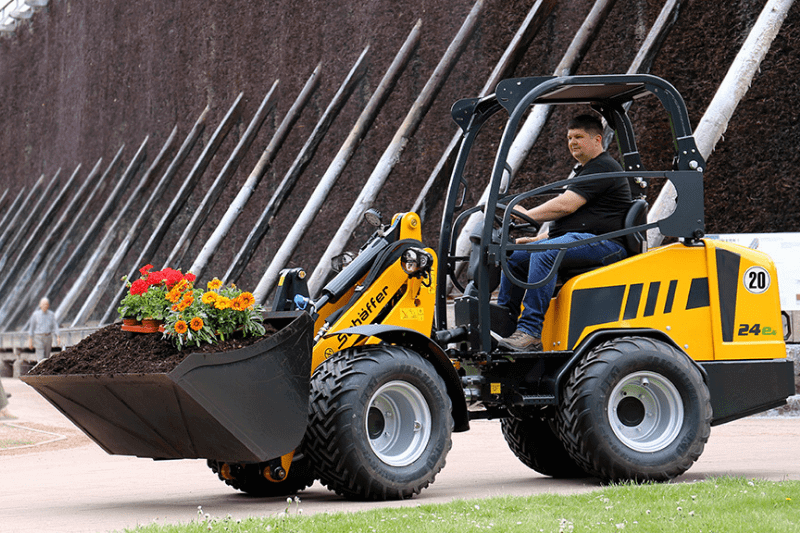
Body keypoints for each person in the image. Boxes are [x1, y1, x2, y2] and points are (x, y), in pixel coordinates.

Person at [497, 114, 632, 351]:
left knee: (546, 252)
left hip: (608, 245)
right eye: (569, 137)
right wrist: (538, 238)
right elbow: (576, 224)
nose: (572, 142)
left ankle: (529, 332)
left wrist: (525, 214)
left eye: (579, 136)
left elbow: (565, 206)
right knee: (516, 257)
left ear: (597, 139)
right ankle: (502, 328)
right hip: (589, 240)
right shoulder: (586, 171)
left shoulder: (603, 167)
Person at [28, 297, 60, 362]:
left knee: (46, 357)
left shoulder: (51, 314)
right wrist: (30, 341)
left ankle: (45, 371)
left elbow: (55, 325)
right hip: (38, 337)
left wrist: (58, 336)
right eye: (43, 304)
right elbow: (31, 328)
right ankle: (41, 371)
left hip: (48, 337)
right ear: (40, 305)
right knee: (40, 357)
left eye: (46, 304)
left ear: (48, 305)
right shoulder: (35, 315)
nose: (45, 306)